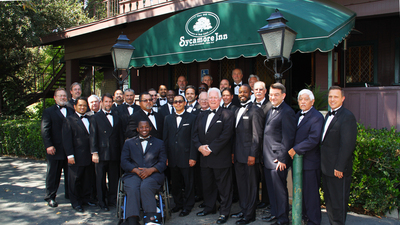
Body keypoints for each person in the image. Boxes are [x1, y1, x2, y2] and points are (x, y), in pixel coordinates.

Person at [192, 88, 235, 224]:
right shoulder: (201, 115)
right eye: (210, 98)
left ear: (220, 99)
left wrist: (210, 148)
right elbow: (194, 134)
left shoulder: (227, 114)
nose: (212, 100)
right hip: (204, 158)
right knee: (208, 185)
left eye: (215, 98)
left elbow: (226, 135)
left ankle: (224, 212)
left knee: (224, 187)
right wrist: (199, 147)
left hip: (220, 157)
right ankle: (209, 207)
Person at [320, 86, 357, 225]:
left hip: (338, 170)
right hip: (326, 168)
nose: (332, 99)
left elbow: (347, 145)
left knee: (338, 205)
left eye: (336, 97)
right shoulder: (328, 115)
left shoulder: (347, 117)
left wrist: (340, 167)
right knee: (329, 203)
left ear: (343, 98)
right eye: (330, 97)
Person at [288, 89, 324, 225]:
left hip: (310, 163)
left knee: (311, 194)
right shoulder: (297, 115)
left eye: (306, 99)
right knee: (300, 192)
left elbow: (313, 139)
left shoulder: (317, 117)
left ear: (312, 101)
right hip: (297, 163)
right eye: (300, 99)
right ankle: (303, 216)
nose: (302, 101)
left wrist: (295, 149)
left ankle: (313, 221)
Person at [120, 120, 167, 225]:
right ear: (137, 129)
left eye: (146, 127)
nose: (144, 129)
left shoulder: (159, 143)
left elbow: (163, 162)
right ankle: (132, 219)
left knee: (145, 186)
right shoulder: (129, 143)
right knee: (132, 187)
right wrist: (135, 170)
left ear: (150, 128)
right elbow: (124, 161)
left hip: (153, 175)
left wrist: (151, 170)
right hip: (133, 174)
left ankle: (151, 219)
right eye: (141, 127)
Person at [262, 83, 296, 225]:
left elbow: (288, 138)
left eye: (276, 94)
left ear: (283, 95)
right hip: (268, 156)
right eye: (271, 94)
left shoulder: (287, 112)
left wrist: (283, 159)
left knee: (280, 191)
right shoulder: (270, 109)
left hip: (278, 159)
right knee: (272, 189)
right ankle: (275, 213)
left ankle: (283, 219)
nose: (273, 97)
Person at [231, 85, 264, 224]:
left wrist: (253, 155)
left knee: (251, 187)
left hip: (249, 156)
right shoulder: (237, 109)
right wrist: (233, 152)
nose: (242, 94)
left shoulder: (255, 110)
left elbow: (257, 135)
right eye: (240, 92)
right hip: (238, 155)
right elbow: (235, 134)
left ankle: (250, 215)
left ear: (250, 93)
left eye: (245, 92)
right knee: (242, 185)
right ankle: (244, 209)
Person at [163, 95, 197, 217]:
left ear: (184, 103)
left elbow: (194, 139)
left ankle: (188, 206)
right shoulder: (167, 118)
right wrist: (165, 156)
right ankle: (178, 204)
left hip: (187, 156)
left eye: (180, 101)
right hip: (172, 157)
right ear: (173, 104)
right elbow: (165, 139)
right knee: (175, 183)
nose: (178, 103)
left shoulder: (192, 118)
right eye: (175, 102)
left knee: (188, 183)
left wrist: (193, 157)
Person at [90, 93, 124, 211]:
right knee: (100, 179)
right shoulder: (95, 117)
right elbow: (93, 136)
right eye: (106, 101)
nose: (108, 104)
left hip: (114, 153)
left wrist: (122, 153)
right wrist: (94, 152)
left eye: (110, 102)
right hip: (101, 153)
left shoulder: (117, 117)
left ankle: (112, 200)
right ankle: (101, 201)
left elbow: (120, 137)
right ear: (101, 103)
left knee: (114, 178)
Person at [41, 88, 74, 207]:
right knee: (53, 174)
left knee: (70, 174)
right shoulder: (48, 112)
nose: (63, 98)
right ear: (55, 98)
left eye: (64, 96)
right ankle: (50, 196)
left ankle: (70, 195)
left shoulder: (71, 111)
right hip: (55, 149)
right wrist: (49, 145)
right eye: (60, 96)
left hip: (69, 150)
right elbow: (45, 130)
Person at [62, 97, 96, 212]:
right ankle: (75, 202)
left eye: (84, 105)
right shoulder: (69, 120)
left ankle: (86, 198)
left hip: (88, 155)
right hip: (76, 156)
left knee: (87, 179)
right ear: (75, 106)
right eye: (80, 105)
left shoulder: (91, 118)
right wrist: (69, 155)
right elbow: (67, 139)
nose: (82, 107)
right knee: (75, 180)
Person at [253, 81, 272, 210]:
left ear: (265, 91)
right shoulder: (251, 105)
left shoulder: (270, 106)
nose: (258, 92)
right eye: (256, 89)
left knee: (266, 177)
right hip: (254, 147)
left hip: (266, 148)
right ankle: (254, 200)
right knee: (254, 176)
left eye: (261, 89)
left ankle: (266, 200)